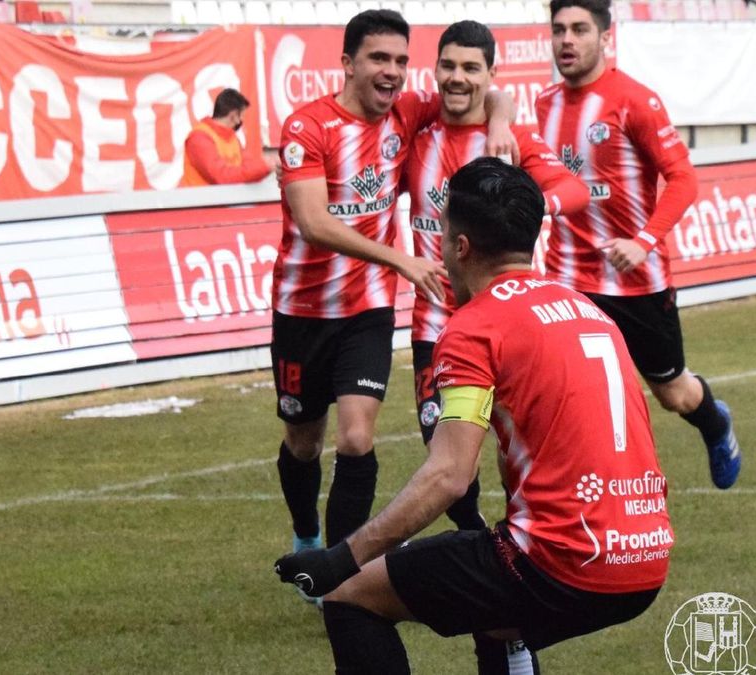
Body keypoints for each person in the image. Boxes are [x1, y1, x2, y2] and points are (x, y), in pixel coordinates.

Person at [275, 157, 674, 674]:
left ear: (460, 248)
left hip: (565, 560)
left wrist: (338, 559)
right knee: (495, 609)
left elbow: (449, 473)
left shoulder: (474, 327)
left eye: (442, 236)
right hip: (645, 554)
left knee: (351, 593)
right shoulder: (587, 309)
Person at [272, 8, 518, 608]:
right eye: (379, 59)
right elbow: (310, 221)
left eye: (402, 61)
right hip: (302, 309)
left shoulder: (408, 114)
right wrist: (399, 259)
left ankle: (338, 573)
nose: (392, 72)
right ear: (348, 63)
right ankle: (306, 530)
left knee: (357, 439)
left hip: (368, 309)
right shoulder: (306, 128)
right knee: (304, 442)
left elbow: (485, 86)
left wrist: (504, 119)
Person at [403, 19, 591, 671]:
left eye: (471, 69)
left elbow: (573, 188)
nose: (457, 77)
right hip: (436, 332)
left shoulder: (509, 139)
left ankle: (506, 609)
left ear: (490, 75)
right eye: (448, 65)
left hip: (508, 329)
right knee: (449, 466)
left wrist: (525, 203)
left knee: (510, 462)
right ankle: (495, 591)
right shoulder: (415, 125)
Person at [536, 0, 741, 489]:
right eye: (559, 29)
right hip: (567, 281)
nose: (567, 39)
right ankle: (585, 495)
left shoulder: (635, 100)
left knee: (673, 394)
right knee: (568, 394)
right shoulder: (545, 102)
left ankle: (715, 423)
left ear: (605, 37)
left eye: (579, 29)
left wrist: (645, 241)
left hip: (636, 283)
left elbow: (683, 179)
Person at [181, 88, 277, 186]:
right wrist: (264, 166)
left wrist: (266, 165)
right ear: (233, 115)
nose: (240, 121)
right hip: (202, 201)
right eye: (242, 116)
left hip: (226, 199)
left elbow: (247, 166)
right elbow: (220, 176)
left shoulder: (234, 139)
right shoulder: (199, 138)